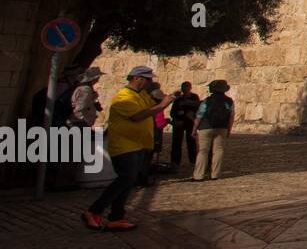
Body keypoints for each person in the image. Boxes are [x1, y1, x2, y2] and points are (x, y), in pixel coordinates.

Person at [82, 66, 174, 231]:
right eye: (148, 79)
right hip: (124, 145)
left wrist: (160, 95)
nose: (150, 82)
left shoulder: (140, 95)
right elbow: (138, 116)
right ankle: (94, 211)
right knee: (125, 179)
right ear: (138, 78)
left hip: (137, 144)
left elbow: (153, 101)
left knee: (129, 181)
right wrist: (163, 105)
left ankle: (116, 217)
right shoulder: (123, 97)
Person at [192, 80, 235, 181]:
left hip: (205, 127)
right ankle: (215, 174)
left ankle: (199, 175)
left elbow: (199, 115)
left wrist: (194, 129)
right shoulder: (229, 101)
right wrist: (229, 129)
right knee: (218, 150)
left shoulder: (207, 101)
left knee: (203, 151)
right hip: (222, 127)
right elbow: (231, 116)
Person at [170, 82, 200, 166]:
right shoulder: (178, 98)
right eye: (183, 87)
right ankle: (175, 161)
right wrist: (176, 117)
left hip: (190, 122)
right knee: (176, 142)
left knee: (191, 141)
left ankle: (193, 160)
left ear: (190, 88)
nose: (185, 89)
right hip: (179, 122)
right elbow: (173, 111)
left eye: (187, 87)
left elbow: (198, 107)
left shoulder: (194, 97)